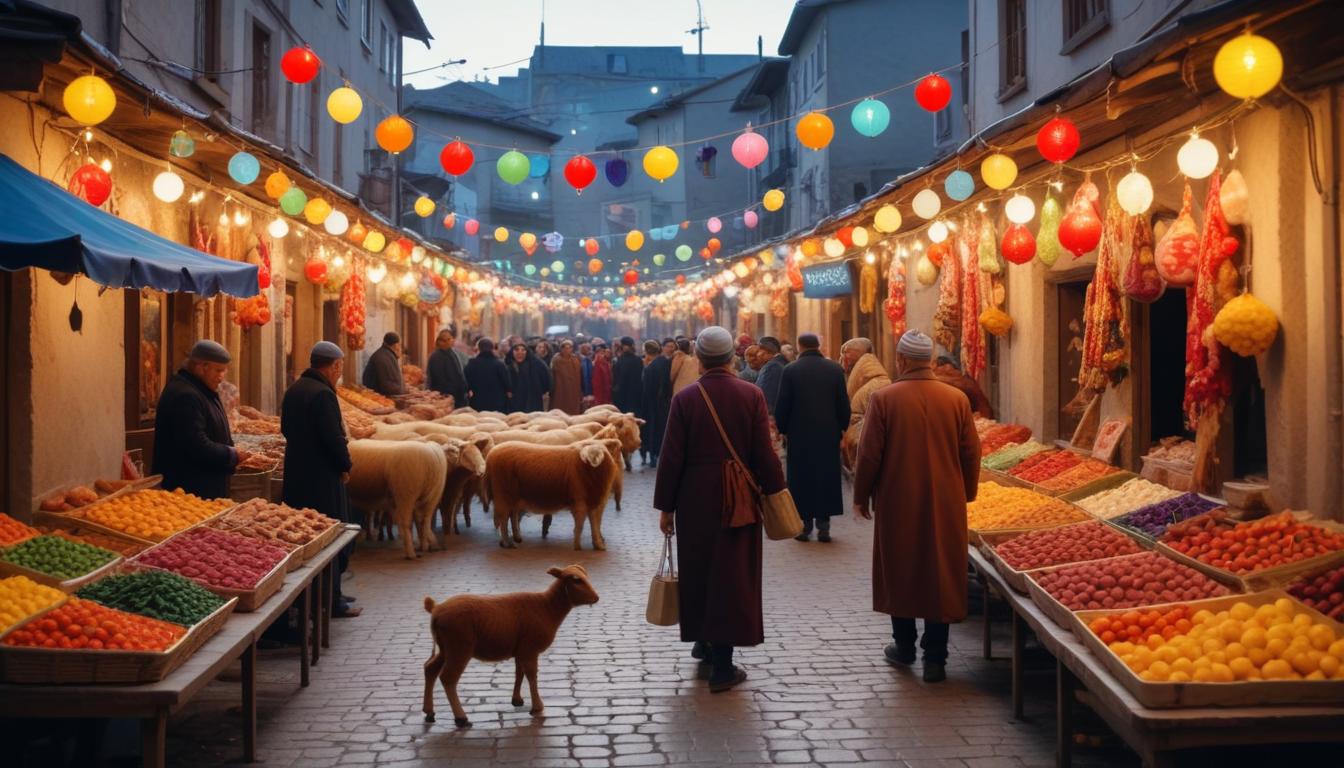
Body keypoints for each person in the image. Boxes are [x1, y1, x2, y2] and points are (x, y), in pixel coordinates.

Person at [655, 326, 786, 693]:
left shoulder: (686, 399)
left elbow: (671, 457)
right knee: (731, 573)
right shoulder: (751, 395)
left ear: (699, 359)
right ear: (732, 358)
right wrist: (777, 491)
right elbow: (764, 451)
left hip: (694, 498)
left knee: (698, 569)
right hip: (739, 498)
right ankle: (723, 666)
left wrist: (666, 507)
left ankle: (703, 641)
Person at [852, 330, 981, 683]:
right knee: (940, 569)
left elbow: (869, 455)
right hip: (945, 499)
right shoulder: (956, 399)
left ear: (903, 359)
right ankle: (935, 657)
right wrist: (966, 493)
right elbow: (971, 452)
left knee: (901, 566)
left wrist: (861, 496)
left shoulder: (885, 399)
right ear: (927, 360)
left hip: (898, 498)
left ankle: (904, 646)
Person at [282, 341, 358, 618]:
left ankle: (317, 597)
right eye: (340, 366)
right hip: (322, 478)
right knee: (331, 538)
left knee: (308, 539)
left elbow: (285, 429)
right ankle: (331, 601)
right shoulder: (323, 395)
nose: (340, 372)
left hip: (298, 475)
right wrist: (345, 465)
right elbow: (333, 438)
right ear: (334, 365)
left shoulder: (295, 390)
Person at [774, 333, 850, 542]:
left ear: (799, 346)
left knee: (801, 478)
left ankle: (804, 526)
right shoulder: (835, 369)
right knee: (826, 476)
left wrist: (782, 429)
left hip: (799, 433)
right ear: (819, 345)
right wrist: (842, 426)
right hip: (828, 432)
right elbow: (843, 402)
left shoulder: (790, 370)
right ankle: (824, 526)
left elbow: (783, 403)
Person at [152, 340, 252, 499]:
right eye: (218, 370)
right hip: (190, 490)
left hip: (204, 485)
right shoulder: (186, 395)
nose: (221, 377)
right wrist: (231, 455)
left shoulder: (202, 389)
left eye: (224, 371)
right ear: (201, 367)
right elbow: (196, 444)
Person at [841, 338, 893, 471]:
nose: (843, 358)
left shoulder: (877, 384)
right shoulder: (876, 381)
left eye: (847, 353)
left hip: (869, 451)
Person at [641, 338, 675, 468]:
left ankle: (653, 455)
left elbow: (647, 389)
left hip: (653, 403)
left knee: (653, 429)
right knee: (661, 428)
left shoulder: (651, 367)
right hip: (664, 402)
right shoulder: (665, 362)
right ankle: (659, 454)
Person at [426, 327, 469, 407]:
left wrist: (463, 388)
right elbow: (438, 378)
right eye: (447, 340)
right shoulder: (436, 357)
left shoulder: (452, 353)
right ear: (440, 342)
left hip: (457, 395)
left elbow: (459, 372)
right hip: (445, 397)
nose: (450, 341)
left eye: (450, 339)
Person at [465, 338, 511, 412]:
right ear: (492, 348)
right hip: (497, 402)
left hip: (478, 401)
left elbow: (466, 382)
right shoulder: (499, 364)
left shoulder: (472, 364)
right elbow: (507, 383)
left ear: (479, 348)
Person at [506, 342, 551, 413]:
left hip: (532, 399)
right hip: (514, 400)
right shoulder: (508, 364)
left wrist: (544, 391)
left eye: (523, 350)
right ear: (512, 352)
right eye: (517, 350)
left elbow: (546, 377)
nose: (520, 353)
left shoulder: (536, 363)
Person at [361, 332, 405, 396]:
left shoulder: (384, 353)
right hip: (379, 397)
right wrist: (403, 390)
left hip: (376, 394)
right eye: (399, 345)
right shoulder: (386, 357)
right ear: (396, 345)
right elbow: (390, 385)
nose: (400, 348)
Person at [611, 336, 644, 417]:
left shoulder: (619, 361)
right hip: (636, 394)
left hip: (622, 395)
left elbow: (616, 379)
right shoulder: (638, 360)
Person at [754, 337, 788, 413]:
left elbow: (766, 397)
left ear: (767, 351)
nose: (757, 355)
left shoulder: (771, 367)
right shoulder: (781, 363)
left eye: (758, 350)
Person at [550, 339, 583, 415]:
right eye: (565, 348)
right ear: (561, 348)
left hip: (574, 389)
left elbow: (579, 374)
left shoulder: (575, 359)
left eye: (569, 348)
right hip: (560, 389)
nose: (567, 350)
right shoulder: (557, 360)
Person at [578, 341, 595, 406]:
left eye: (588, 348)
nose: (588, 350)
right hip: (582, 385)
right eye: (586, 348)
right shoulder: (579, 359)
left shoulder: (589, 359)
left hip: (589, 385)